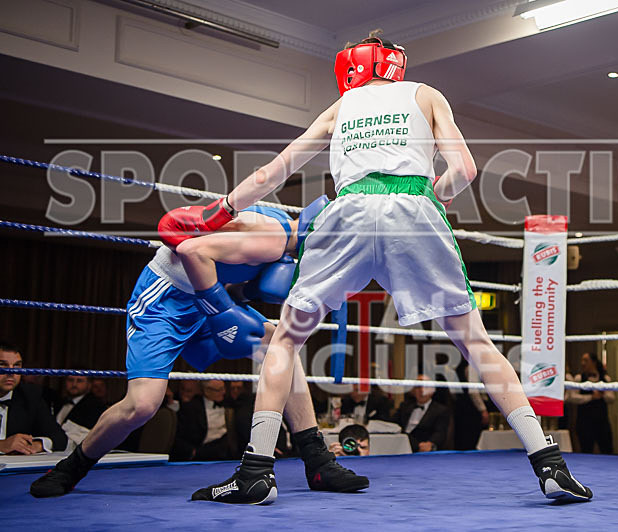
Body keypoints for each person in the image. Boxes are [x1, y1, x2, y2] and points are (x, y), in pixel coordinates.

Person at [179, 31, 591, 504]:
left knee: (286, 340)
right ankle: (549, 465)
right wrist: (435, 194)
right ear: (395, 63)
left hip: (349, 211)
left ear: (352, 66)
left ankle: (255, 472)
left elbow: (273, 172)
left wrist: (219, 211)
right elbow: (465, 169)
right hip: (413, 210)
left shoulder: (342, 106)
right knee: (477, 344)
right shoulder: (426, 94)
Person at [29, 202, 367, 497]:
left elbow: (229, 279)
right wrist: (222, 312)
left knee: (280, 344)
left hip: (207, 297)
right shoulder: (269, 237)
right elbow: (192, 251)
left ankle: (317, 461)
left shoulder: (284, 252)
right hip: (165, 302)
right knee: (142, 404)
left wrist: (240, 299)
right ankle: (71, 467)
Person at [0, 342, 67, 454]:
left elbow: (60, 438)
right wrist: (2, 445)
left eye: (16, 366)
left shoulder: (30, 395)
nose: (11, 372)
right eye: (2, 365)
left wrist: (35, 445)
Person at [567, 353, 614, 454]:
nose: (582, 363)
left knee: (607, 450)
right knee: (586, 450)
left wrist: (602, 394)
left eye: (586, 360)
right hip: (584, 421)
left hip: (602, 421)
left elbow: (612, 398)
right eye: (582, 360)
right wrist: (591, 397)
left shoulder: (605, 378)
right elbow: (572, 397)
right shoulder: (579, 378)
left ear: (593, 362)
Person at [393, 375, 451, 452]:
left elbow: (440, 433)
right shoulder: (405, 406)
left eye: (426, 387)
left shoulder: (440, 410)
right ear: (413, 390)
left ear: (432, 391)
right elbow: (394, 424)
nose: (422, 390)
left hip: (423, 449)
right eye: (418, 387)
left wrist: (430, 443)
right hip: (400, 446)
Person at [56, 372, 105, 448]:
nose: (74, 384)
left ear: (89, 384)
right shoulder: (58, 402)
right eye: (70, 380)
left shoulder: (95, 406)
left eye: (79, 381)